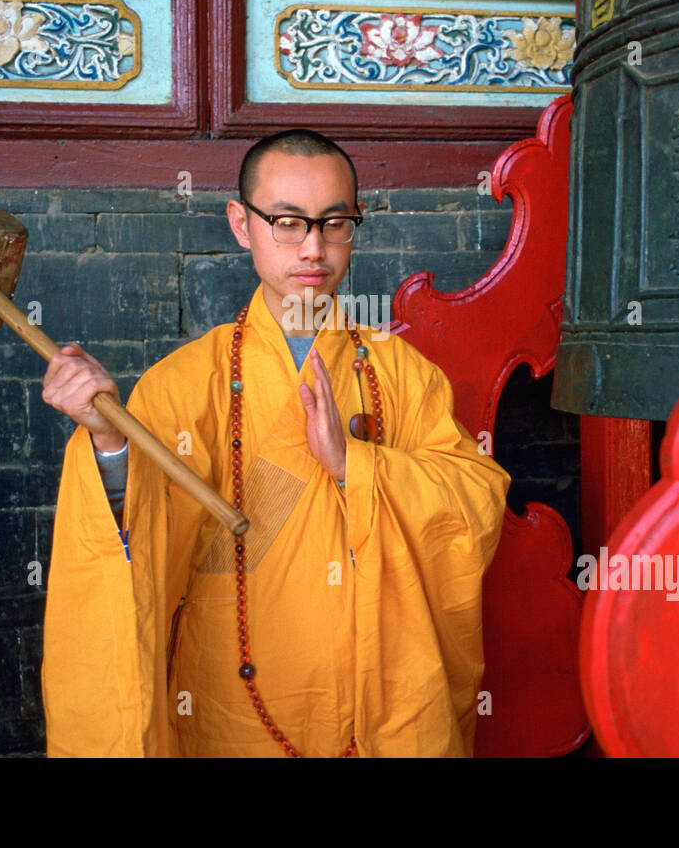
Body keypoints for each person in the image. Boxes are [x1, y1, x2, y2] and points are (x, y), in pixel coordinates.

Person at [40, 129, 510, 757]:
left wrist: (355, 467)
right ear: (242, 224)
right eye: (288, 222)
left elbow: (477, 506)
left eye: (335, 222)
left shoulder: (402, 373)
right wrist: (107, 438)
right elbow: (135, 546)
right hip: (231, 706)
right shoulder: (182, 384)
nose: (313, 248)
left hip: (382, 697)